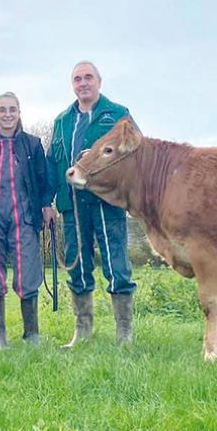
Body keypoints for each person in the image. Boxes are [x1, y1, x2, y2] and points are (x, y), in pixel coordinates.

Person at [46, 61, 137, 347]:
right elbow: (52, 163)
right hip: (71, 203)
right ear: (72, 85)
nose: (83, 83)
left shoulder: (118, 115)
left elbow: (138, 153)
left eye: (88, 78)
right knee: (77, 264)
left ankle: (124, 333)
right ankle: (82, 331)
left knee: (116, 263)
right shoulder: (62, 120)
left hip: (107, 201)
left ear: (99, 81)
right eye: (77, 79)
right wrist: (47, 202)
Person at [0, 92, 54, 349]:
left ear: (19, 113)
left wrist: (46, 205)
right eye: (2, 110)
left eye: (12, 110)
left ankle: (32, 335)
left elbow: (43, 180)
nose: (7, 114)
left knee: (28, 274)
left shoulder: (33, 144)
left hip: (24, 218)